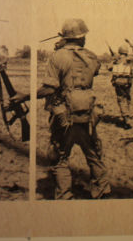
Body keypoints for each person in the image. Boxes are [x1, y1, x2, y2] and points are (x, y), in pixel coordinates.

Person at [8, 18, 110, 199]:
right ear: (79, 38)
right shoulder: (92, 57)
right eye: (83, 36)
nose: (85, 39)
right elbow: (94, 70)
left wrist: (25, 96)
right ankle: (101, 191)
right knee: (93, 154)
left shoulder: (58, 56)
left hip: (65, 115)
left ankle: (64, 195)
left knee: (60, 157)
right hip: (87, 113)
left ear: (66, 37)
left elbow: (49, 88)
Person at [108, 43, 133, 129]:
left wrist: (114, 60)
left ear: (120, 51)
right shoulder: (129, 59)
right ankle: (127, 115)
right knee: (127, 99)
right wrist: (131, 43)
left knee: (121, 100)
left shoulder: (116, 60)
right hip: (127, 83)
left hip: (118, 83)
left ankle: (126, 120)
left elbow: (109, 68)